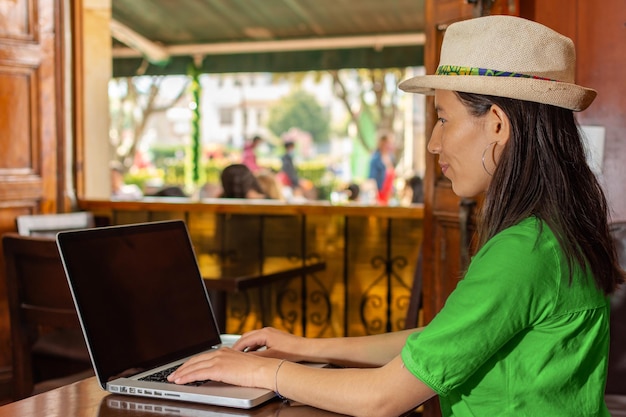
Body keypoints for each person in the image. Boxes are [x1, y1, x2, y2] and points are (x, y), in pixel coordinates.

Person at [168, 16, 624, 416]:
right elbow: (438, 341)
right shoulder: (551, 233)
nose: (433, 143)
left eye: (443, 119)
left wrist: (262, 373)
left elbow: (382, 398)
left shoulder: (522, 250)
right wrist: (303, 347)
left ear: (498, 124)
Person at [368, 133, 395, 204]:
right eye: (385, 144)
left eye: (388, 143)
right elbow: (371, 178)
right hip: (379, 194)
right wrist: (375, 196)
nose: (387, 146)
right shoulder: (375, 159)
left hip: (390, 195)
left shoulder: (391, 157)